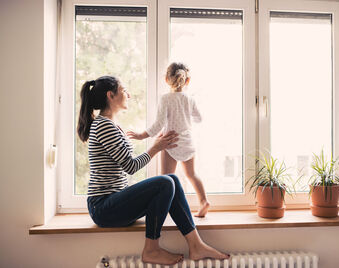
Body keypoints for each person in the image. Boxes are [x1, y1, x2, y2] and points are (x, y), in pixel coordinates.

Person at [77, 75, 229, 265]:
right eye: (124, 90)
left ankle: (196, 245)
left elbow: (125, 164)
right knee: (165, 182)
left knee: (171, 179)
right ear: (111, 95)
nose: (128, 94)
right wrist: (156, 147)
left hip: (113, 202)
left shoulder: (110, 125)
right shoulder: (104, 126)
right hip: (103, 208)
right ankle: (151, 249)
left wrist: (158, 144)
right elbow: (130, 166)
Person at [127, 63, 210, 217]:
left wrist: (141, 135)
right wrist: (186, 115)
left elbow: (158, 125)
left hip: (170, 142)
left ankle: (167, 209)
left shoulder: (165, 99)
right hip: (188, 142)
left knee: (166, 179)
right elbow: (199, 118)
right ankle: (204, 201)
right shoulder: (190, 99)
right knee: (192, 174)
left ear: (166, 79)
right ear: (187, 81)